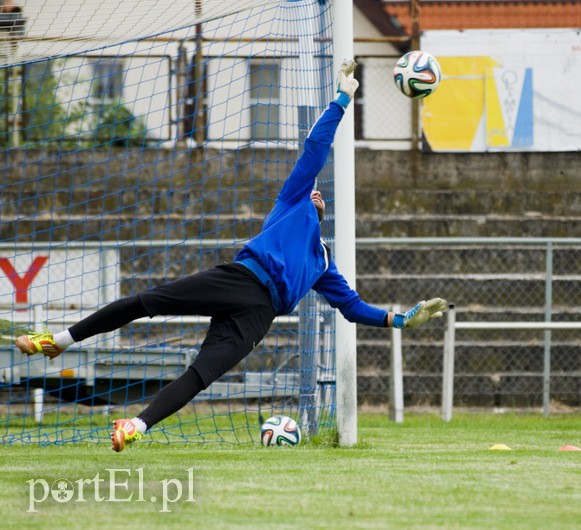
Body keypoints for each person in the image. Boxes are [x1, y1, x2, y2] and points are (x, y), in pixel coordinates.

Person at [15, 60, 447, 452]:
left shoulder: (322, 263)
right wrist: (342, 98)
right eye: (314, 191)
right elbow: (315, 148)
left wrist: (401, 320)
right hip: (239, 279)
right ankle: (58, 341)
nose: (316, 193)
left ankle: (135, 426)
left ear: (325, 209)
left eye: (320, 196)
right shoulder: (292, 203)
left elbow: (352, 309)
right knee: (147, 303)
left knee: (202, 375)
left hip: (257, 317)